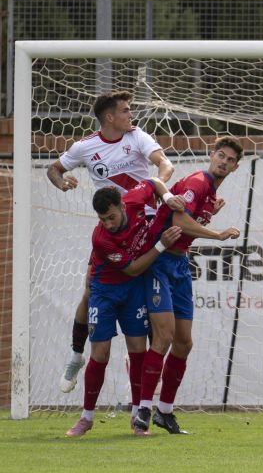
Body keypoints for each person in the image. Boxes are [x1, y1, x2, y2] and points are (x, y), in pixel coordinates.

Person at [47, 91, 174, 394]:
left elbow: (164, 165)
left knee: (154, 304)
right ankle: (77, 355)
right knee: (90, 292)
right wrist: (62, 182)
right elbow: (54, 169)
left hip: (144, 229)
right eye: (126, 110)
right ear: (109, 117)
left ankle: (143, 371)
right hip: (114, 234)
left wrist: (159, 186)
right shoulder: (85, 147)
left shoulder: (137, 136)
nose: (131, 115)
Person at [133, 137, 243, 435]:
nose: (224, 161)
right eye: (220, 155)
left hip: (180, 264)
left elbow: (189, 216)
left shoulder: (209, 192)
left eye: (230, 160)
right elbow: (180, 219)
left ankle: (165, 412)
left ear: (235, 167)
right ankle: (143, 408)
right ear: (211, 154)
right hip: (159, 260)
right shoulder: (199, 182)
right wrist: (217, 233)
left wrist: (210, 213)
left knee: (184, 342)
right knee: (165, 336)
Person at [65, 180, 183, 437]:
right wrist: (161, 245)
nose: (108, 223)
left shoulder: (134, 198)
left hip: (133, 292)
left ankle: (137, 419)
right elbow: (132, 268)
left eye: (111, 217)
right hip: (105, 291)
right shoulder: (101, 238)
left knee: (138, 350)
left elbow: (153, 181)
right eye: (102, 219)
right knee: (100, 354)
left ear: (122, 205)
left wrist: (168, 195)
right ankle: (86, 417)